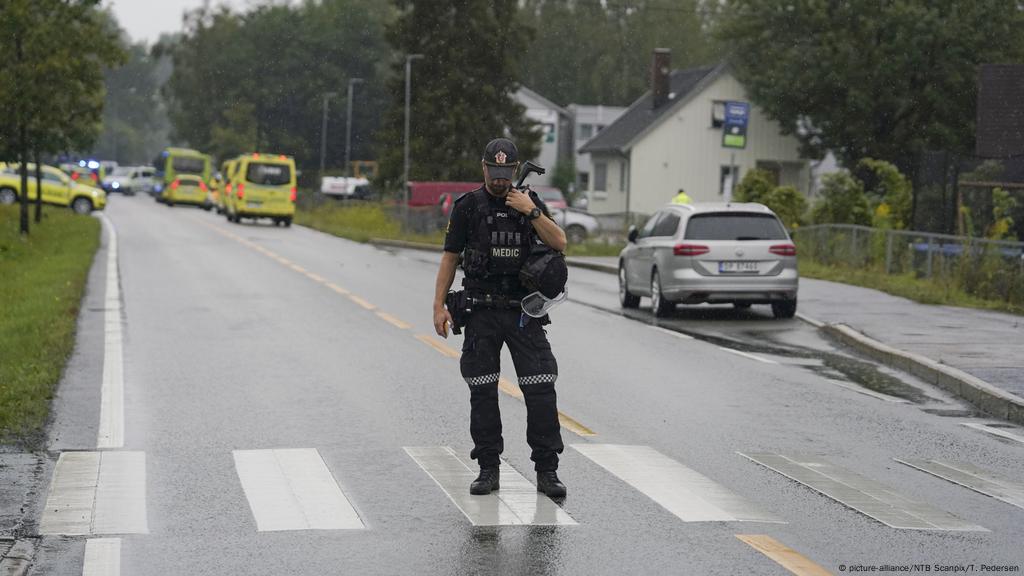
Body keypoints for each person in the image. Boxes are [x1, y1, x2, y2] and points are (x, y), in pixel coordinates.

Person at [432, 138, 569, 498]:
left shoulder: (528, 203)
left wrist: (531, 211)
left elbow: (560, 242)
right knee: (483, 390)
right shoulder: (468, 207)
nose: (499, 180)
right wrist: (438, 306)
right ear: (484, 169)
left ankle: (547, 471)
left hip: (523, 313)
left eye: (505, 173)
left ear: (514, 170)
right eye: (494, 172)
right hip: (480, 311)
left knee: (540, 388)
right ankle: (488, 467)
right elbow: (450, 256)